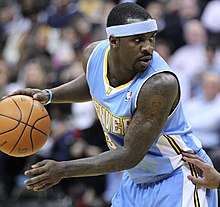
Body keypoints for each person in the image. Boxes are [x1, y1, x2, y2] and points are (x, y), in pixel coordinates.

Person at [7, 3, 218, 207]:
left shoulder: (159, 84)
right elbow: (92, 82)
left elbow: (130, 154)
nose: (148, 48)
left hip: (179, 176)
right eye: (138, 40)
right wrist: (50, 95)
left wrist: (63, 169)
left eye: (151, 39)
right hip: (137, 179)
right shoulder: (94, 55)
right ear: (114, 42)